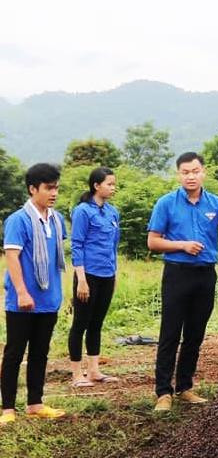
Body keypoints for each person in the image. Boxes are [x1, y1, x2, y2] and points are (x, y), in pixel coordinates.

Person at [147, 152, 218, 412]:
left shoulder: (215, 203)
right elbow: (153, 242)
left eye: (195, 171)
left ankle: (185, 387)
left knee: (195, 334)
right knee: (170, 333)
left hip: (205, 275)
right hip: (177, 273)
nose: (190, 177)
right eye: (185, 172)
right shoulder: (166, 203)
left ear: (203, 172)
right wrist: (182, 245)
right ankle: (163, 392)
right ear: (178, 174)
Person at [1, 163, 67, 423]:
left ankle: (35, 403)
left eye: (56, 188)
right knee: (14, 353)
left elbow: (55, 259)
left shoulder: (56, 219)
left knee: (40, 352)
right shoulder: (18, 220)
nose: (54, 193)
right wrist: (21, 292)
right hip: (23, 300)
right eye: (48, 188)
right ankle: (7, 408)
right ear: (32, 189)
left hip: (48, 298)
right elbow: (12, 257)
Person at [68, 166, 121, 388]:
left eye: (114, 184)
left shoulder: (112, 212)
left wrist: (115, 274)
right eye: (109, 184)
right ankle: (76, 374)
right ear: (96, 186)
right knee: (80, 323)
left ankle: (94, 370)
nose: (113, 188)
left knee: (97, 323)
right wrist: (81, 279)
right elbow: (77, 245)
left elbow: (114, 246)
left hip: (107, 273)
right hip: (88, 274)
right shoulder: (82, 211)